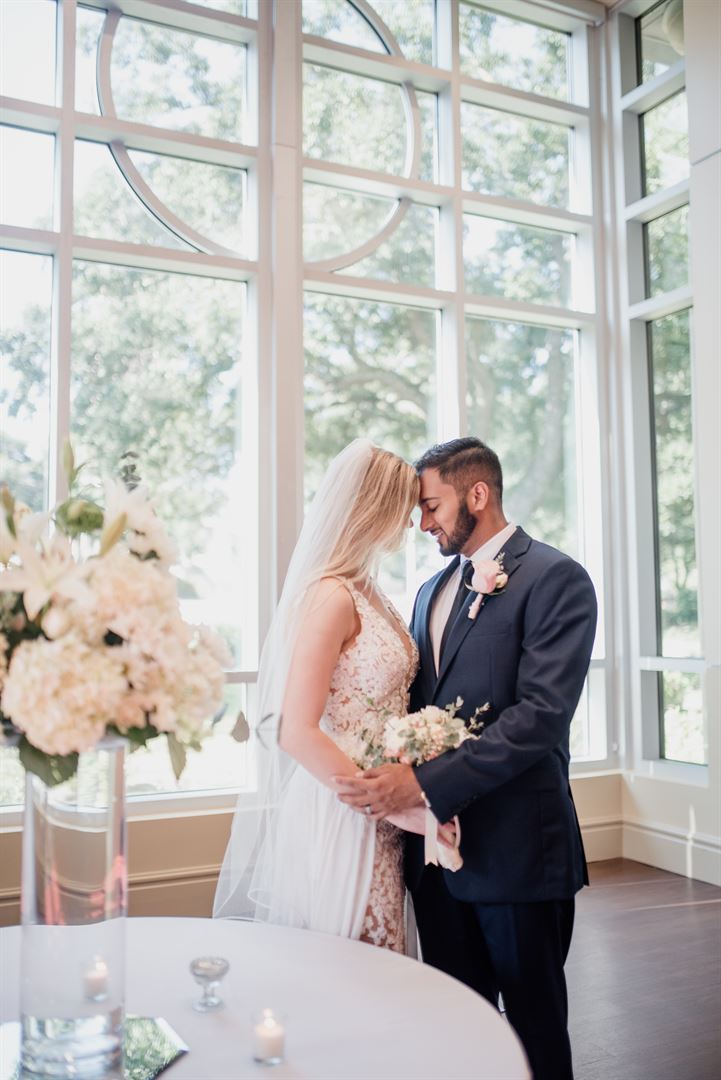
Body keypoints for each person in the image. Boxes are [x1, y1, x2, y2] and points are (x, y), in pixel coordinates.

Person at [336, 437, 597, 1080]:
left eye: (432, 506)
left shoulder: (556, 578)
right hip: (436, 858)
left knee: (535, 1029)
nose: (422, 522)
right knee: (458, 1025)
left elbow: (539, 718)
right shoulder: (429, 590)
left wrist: (423, 785)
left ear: (477, 494)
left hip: (517, 850)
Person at [213, 439, 424, 952]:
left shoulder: (371, 590)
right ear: (376, 509)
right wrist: (383, 804)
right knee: (351, 957)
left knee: (384, 955)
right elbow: (295, 729)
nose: (412, 521)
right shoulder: (330, 596)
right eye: (405, 507)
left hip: (379, 803)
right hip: (343, 809)